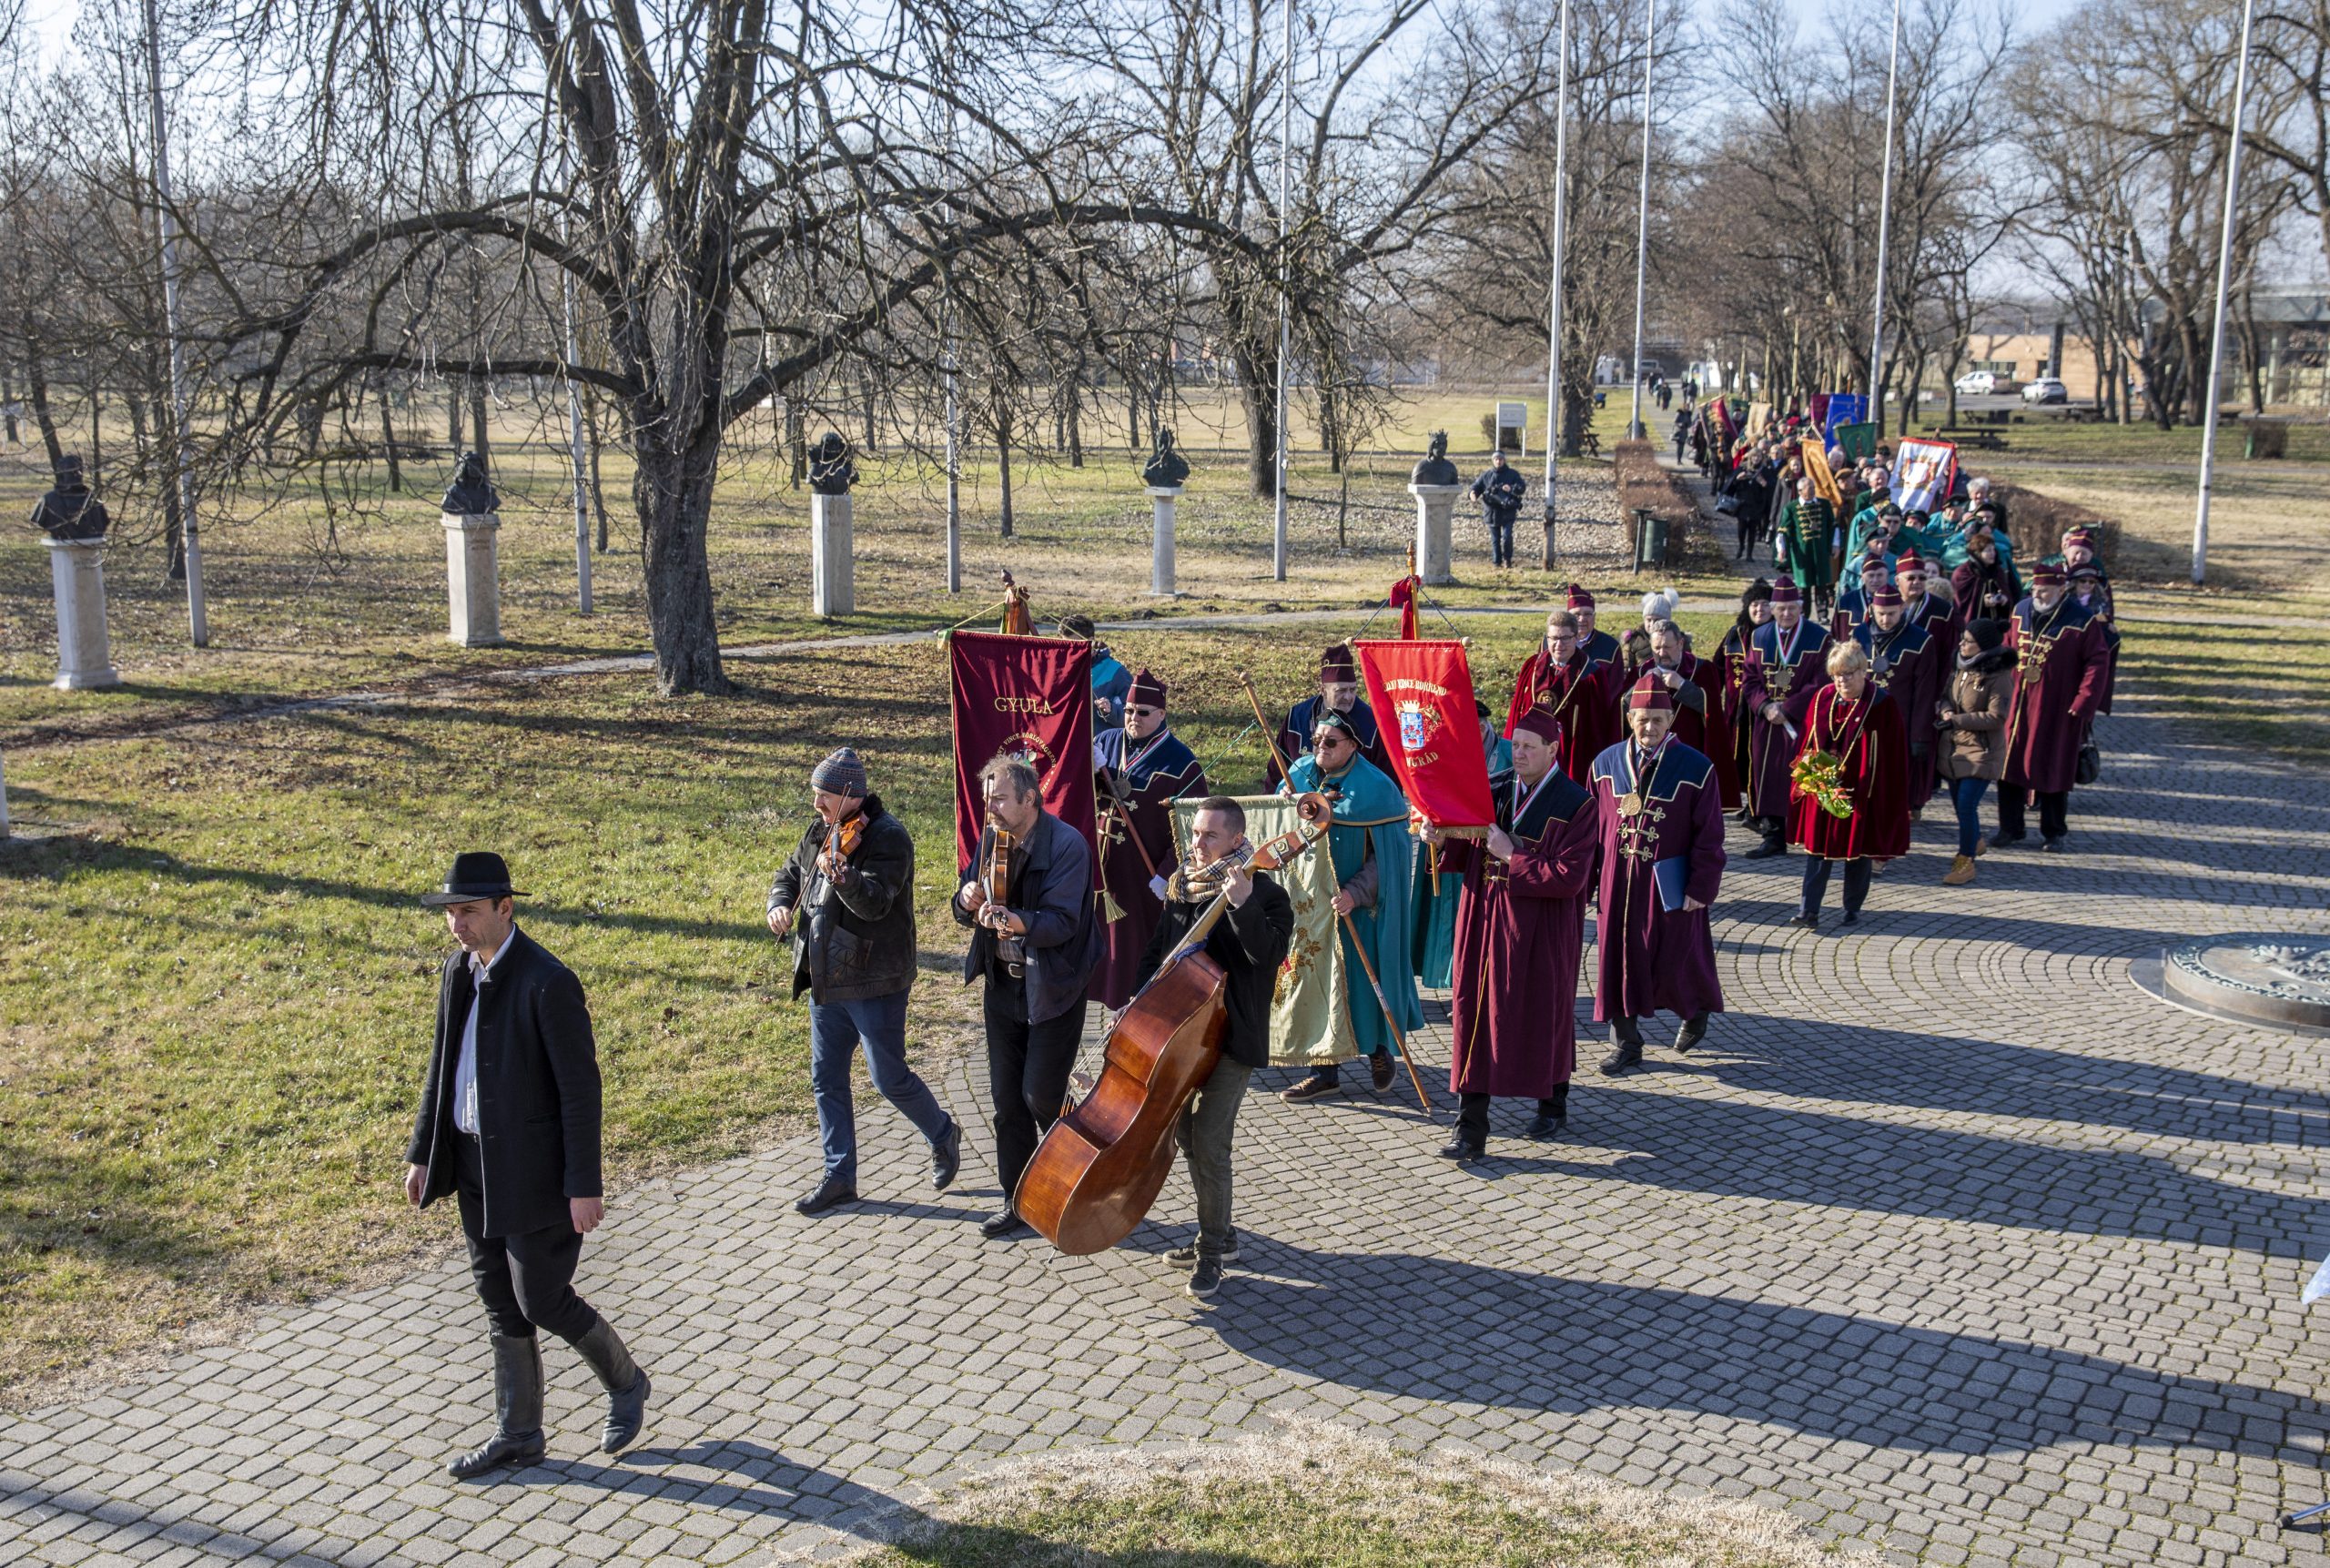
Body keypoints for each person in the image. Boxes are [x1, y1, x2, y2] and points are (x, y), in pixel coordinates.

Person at [403, 853, 651, 1478]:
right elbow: (442, 1069)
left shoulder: (548, 981)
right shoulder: (458, 972)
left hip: (537, 1173)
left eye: (468, 911)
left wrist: (584, 1186)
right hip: (472, 1166)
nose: (456, 924)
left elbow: (579, 1090)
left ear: (505, 908)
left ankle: (626, 1382)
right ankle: (519, 1432)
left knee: (539, 1295)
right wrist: (420, 1152)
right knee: (498, 1297)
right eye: (451, 912)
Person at [767, 749, 960, 1216]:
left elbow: (875, 903)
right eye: (815, 796)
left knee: (887, 1076)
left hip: (875, 979)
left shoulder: (889, 838)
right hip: (825, 976)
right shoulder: (821, 830)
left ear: (850, 795)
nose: (816, 806)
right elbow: (791, 872)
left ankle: (942, 1132)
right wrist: (779, 901)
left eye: (823, 797)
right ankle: (840, 1176)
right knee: (826, 1078)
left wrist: (848, 880)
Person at [1134, 796, 1295, 1300]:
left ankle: (1210, 1253)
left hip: (1230, 1038)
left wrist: (1243, 903)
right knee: (1182, 1132)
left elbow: (1266, 957)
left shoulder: (1266, 894)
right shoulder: (1183, 888)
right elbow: (1157, 954)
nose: (1197, 845)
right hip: (1178, 1037)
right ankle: (1222, 1235)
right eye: (1196, 834)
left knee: (1211, 1143)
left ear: (1236, 840)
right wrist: (1133, 1005)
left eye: (1209, 837)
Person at [1424, 704, 1600, 1159]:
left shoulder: (1578, 804)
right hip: (1483, 919)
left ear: (1552, 750)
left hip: (1542, 927)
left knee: (1544, 1011)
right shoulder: (1493, 788)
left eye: (1528, 747)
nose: (1517, 754)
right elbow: (1461, 846)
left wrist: (1508, 854)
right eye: (1515, 744)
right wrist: (1439, 836)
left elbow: (1571, 876)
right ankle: (1469, 1129)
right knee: (1473, 1012)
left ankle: (1552, 1100)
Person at [954, 755, 1101, 1239]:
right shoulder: (992, 838)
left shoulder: (1067, 846)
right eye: (985, 798)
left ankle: (1083, 1177)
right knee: (1005, 1102)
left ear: (1029, 799)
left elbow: (1064, 922)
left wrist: (1016, 920)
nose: (988, 807)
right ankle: (1016, 1200)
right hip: (1004, 985)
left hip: (1053, 986)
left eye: (997, 798)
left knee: (1040, 1095)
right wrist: (967, 898)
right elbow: (965, 906)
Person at [1279, 712, 1423, 1103]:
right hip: (1312, 909)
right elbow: (1276, 834)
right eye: (1316, 741)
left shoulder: (1378, 791)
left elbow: (1388, 860)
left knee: (1363, 983)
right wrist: (1286, 805)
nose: (1319, 749)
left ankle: (1380, 1054)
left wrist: (1356, 893)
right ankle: (1323, 1072)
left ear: (1353, 746)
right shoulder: (1298, 774)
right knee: (1319, 984)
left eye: (1330, 743)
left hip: (1359, 911)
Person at [1590, 677, 1727, 1074]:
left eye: (1657, 721)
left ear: (1671, 720)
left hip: (1669, 885)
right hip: (1617, 884)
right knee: (1615, 962)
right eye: (1642, 719)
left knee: (1679, 958)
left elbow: (1710, 834)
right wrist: (1585, 881)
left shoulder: (1697, 768)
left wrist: (1702, 886)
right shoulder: (1605, 763)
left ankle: (1696, 1009)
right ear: (1629, 717)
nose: (1649, 728)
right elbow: (1590, 827)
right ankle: (1627, 1043)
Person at [1089, 669, 1208, 1008]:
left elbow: (1193, 828)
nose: (1133, 719)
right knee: (1102, 951)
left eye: (1142, 713)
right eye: (1127, 711)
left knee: (1136, 955)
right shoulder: (1105, 743)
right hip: (1103, 872)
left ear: (1161, 714)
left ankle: (1135, 1012)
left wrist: (1167, 872)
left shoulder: (1183, 763)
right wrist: (1091, 769)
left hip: (1147, 878)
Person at [1787, 642, 1910, 930]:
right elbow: (1807, 740)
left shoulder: (1881, 703)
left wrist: (1883, 795)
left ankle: (1852, 909)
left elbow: (1893, 756)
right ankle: (1808, 911)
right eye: (1837, 674)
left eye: (1849, 673)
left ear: (1863, 671)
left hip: (1862, 791)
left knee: (1858, 853)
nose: (1842, 680)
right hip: (1824, 787)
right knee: (1817, 852)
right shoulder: (1822, 698)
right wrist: (1810, 775)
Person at [1995, 562, 2109, 853]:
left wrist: (2084, 701)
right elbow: (2009, 645)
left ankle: (2054, 831)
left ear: (2061, 589)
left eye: (2045, 590)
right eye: (2036, 589)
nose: (2039, 595)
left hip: (2056, 707)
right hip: (2018, 705)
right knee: (2009, 767)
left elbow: (2097, 662)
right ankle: (2010, 827)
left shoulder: (2082, 620)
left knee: (2053, 767)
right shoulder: (2021, 609)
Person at [1413, 701, 1511, 990]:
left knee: (1487, 923)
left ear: (1481, 728)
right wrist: (1428, 829)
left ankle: (1482, 987)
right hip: (1454, 853)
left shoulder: (1509, 755)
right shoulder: (1441, 755)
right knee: (1454, 922)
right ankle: (1459, 985)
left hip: (1496, 854)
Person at [1740, 582, 1832, 859]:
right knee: (1767, 777)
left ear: (1802, 608)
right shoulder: (1760, 636)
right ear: (1772, 609)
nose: (1787, 613)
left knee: (1805, 775)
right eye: (1781, 608)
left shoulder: (1820, 638)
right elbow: (1750, 678)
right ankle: (1773, 835)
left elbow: (1821, 680)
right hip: (1767, 723)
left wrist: (1789, 709)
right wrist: (1765, 706)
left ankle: (1811, 833)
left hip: (1802, 723)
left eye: (1792, 608)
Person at [1504, 609, 1626, 785]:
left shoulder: (1590, 675)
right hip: (1529, 751)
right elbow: (1517, 710)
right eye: (1553, 638)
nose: (1558, 644)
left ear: (1576, 638)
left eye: (1565, 638)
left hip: (1570, 756)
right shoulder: (1532, 667)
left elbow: (1598, 728)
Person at [1935, 620, 2014, 885]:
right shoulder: (1961, 666)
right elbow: (1946, 695)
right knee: (1959, 804)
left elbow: (1996, 717)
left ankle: (1965, 861)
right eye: (1963, 638)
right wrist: (1946, 710)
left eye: (1968, 641)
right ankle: (1975, 839)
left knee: (1967, 804)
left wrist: (1957, 720)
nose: (1962, 644)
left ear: (1984, 647)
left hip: (1982, 751)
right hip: (1955, 748)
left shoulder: (1999, 676)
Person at [1856, 585, 1941, 814]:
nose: (1885, 619)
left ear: (1902, 608)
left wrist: (1920, 736)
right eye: (1880, 613)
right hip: (1861, 722)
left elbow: (1925, 693)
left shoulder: (1921, 641)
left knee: (1893, 779)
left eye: (1892, 613)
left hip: (1899, 724)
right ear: (1872, 609)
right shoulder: (1858, 635)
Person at [1642, 618, 1738, 808]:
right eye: (1657, 648)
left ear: (1680, 643)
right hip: (1652, 753)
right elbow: (1625, 707)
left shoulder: (1702, 668)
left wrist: (1682, 685)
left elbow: (1711, 708)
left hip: (1691, 751)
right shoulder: (1644, 669)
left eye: (1667, 647)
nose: (1662, 653)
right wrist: (1643, 685)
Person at [1270, 643, 1393, 789]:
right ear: (1323, 690)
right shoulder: (1297, 717)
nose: (1348, 697)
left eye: (1352, 689)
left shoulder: (1373, 723)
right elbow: (1276, 772)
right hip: (1300, 802)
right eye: (1340, 690)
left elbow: (1388, 782)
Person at [1716, 579, 1772, 810]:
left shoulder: (1775, 636)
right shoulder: (1734, 635)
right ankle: (1746, 804)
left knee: (1760, 760)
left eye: (1765, 604)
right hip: (1735, 710)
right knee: (1737, 759)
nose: (1759, 609)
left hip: (1762, 709)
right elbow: (1717, 669)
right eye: (1755, 604)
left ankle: (1759, 805)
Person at [1778, 475, 1837, 620]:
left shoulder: (1824, 504)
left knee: (1821, 584)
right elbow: (1783, 530)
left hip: (1821, 552)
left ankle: (1823, 614)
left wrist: (1835, 544)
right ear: (1800, 491)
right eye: (1809, 488)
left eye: (1813, 488)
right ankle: (1804, 614)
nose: (1812, 491)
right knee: (1803, 587)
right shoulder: (1791, 507)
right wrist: (1781, 548)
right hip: (1802, 553)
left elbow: (1833, 526)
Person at [1061, 614, 1133, 730]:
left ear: (1090, 642)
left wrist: (1111, 711)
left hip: (1099, 744)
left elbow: (1134, 715)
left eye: (1075, 645)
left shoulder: (1116, 672)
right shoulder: (1058, 670)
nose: (1069, 652)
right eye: (1065, 646)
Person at [1469, 449, 1526, 569]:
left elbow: (1521, 487)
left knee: (1507, 537)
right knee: (1495, 539)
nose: (1498, 462)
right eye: (1496, 459)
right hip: (1491, 511)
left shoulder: (1513, 474)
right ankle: (1497, 561)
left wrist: (1511, 488)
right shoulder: (1486, 475)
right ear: (1493, 461)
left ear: (1504, 460)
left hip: (1508, 510)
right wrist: (1472, 493)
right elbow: (1477, 486)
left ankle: (1507, 559)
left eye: (1500, 459)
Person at [1950, 527, 2021, 622]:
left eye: (1993, 550)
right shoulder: (1963, 572)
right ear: (1978, 553)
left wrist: (2004, 599)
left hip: (1996, 623)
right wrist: (1981, 600)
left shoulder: (1998, 571)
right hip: (1973, 625)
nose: (1993, 554)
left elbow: (2009, 593)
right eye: (1988, 550)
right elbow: (1961, 601)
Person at [1829, 555, 1891, 642]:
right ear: (1862, 577)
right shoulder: (1846, 602)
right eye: (1871, 575)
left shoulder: (1896, 601)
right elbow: (1835, 636)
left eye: (1880, 575)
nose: (1875, 580)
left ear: (1887, 577)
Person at [1566, 583, 1621, 668]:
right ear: (1568, 617)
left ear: (1594, 616)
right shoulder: (1551, 642)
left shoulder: (1610, 646)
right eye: (1576, 614)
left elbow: (1615, 680)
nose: (1582, 619)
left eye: (1587, 614)